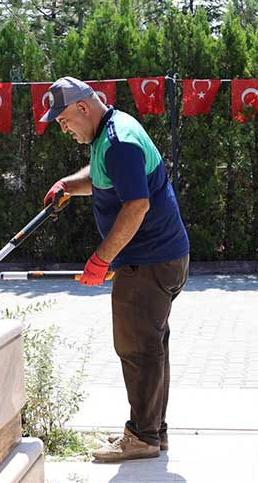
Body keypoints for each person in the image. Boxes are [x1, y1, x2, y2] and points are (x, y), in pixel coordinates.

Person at [41, 77, 190, 463]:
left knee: (138, 348)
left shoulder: (119, 142)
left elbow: (136, 205)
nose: (64, 128)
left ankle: (142, 437)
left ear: (83, 108)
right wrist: (67, 186)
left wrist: (101, 259)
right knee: (151, 346)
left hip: (148, 262)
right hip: (160, 258)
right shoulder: (110, 133)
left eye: (64, 120)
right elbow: (102, 177)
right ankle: (152, 429)